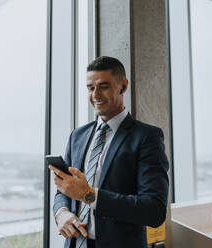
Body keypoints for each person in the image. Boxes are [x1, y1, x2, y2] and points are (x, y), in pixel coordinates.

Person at [49, 56, 169, 248]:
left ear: (123, 86)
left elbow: (154, 210)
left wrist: (88, 195)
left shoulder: (147, 137)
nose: (95, 94)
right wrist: (61, 212)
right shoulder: (77, 136)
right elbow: (64, 190)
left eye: (103, 86)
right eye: (90, 88)